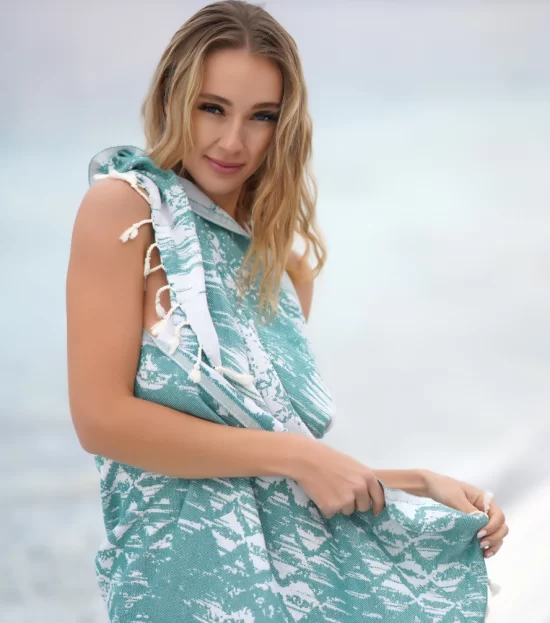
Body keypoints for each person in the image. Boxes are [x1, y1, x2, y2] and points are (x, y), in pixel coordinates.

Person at [66, 1, 508, 620]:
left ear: (286, 125)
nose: (233, 141)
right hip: (170, 592)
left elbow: (266, 480)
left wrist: (417, 483)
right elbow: (102, 421)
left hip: (290, 597)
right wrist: (302, 455)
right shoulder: (125, 210)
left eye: (261, 116)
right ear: (173, 99)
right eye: (212, 107)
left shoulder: (283, 265)